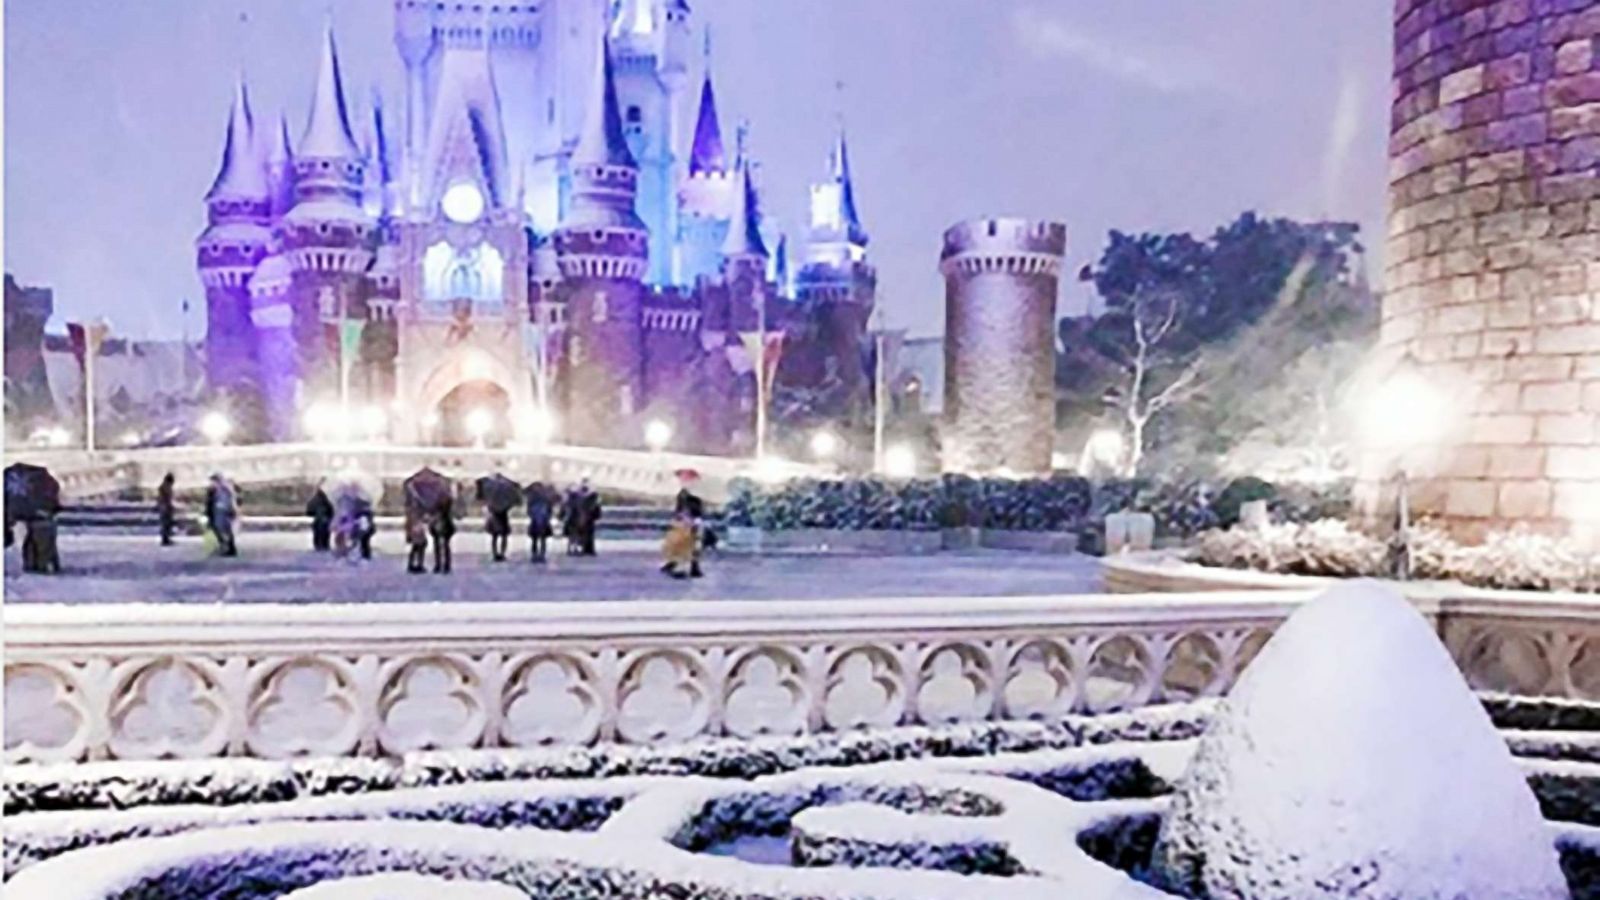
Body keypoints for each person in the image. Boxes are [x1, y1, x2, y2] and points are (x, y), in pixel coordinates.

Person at [673, 482, 707, 578]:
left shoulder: (686, 509)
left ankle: (686, 569)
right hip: (690, 530)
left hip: (690, 529)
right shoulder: (688, 509)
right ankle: (689, 568)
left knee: (691, 550)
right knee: (692, 550)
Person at [204, 473, 239, 557]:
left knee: (223, 529)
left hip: (222, 512)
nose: (212, 483)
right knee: (221, 529)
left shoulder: (224, 489)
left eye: (213, 481)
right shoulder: (216, 490)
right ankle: (227, 547)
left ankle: (228, 548)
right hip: (219, 512)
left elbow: (229, 501)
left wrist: (232, 509)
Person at [660, 512, 696, 579]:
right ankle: (677, 569)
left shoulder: (678, 527)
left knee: (679, 557)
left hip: (678, 545)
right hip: (678, 545)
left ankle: (675, 567)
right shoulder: (681, 527)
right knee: (679, 557)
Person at [525, 481, 554, 563]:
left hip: (539, 520)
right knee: (540, 539)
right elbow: (549, 508)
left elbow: (529, 510)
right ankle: (539, 554)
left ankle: (537, 554)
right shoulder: (544, 497)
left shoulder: (533, 498)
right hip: (541, 520)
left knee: (538, 539)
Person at [431, 495, 456, 574]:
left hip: (445, 525)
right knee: (439, 546)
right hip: (439, 524)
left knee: (444, 546)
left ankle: (444, 565)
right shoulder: (437, 502)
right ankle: (440, 564)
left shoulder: (446, 504)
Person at [305, 485, 334, 552]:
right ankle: (324, 548)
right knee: (325, 538)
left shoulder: (313, 501)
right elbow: (331, 511)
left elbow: (309, 512)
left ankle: (319, 548)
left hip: (317, 522)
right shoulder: (327, 501)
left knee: (317, 538)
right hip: (325, 522)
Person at [404, 500, 429, 574]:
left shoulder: (413, 512)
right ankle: (416, 564)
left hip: (417, 530)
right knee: (418, 547)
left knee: (417, 548)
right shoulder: (414, 513)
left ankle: (415, 564)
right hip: (416, 530)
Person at [579, 479, 602, 556]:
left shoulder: (587, 495)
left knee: (586, 534)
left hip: (587, 517)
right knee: (587, 534)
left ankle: (587, 549)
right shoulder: (591, 495)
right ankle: (588, 549)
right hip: (588, 517)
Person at [157, 473, 178, 547]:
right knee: (166, 524)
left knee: (167, 524)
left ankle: (166, 538)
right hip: (165, 508)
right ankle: (165, 539)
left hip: (165, 507)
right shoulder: (166, 487)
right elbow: (167, 498)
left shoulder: (164, 486)